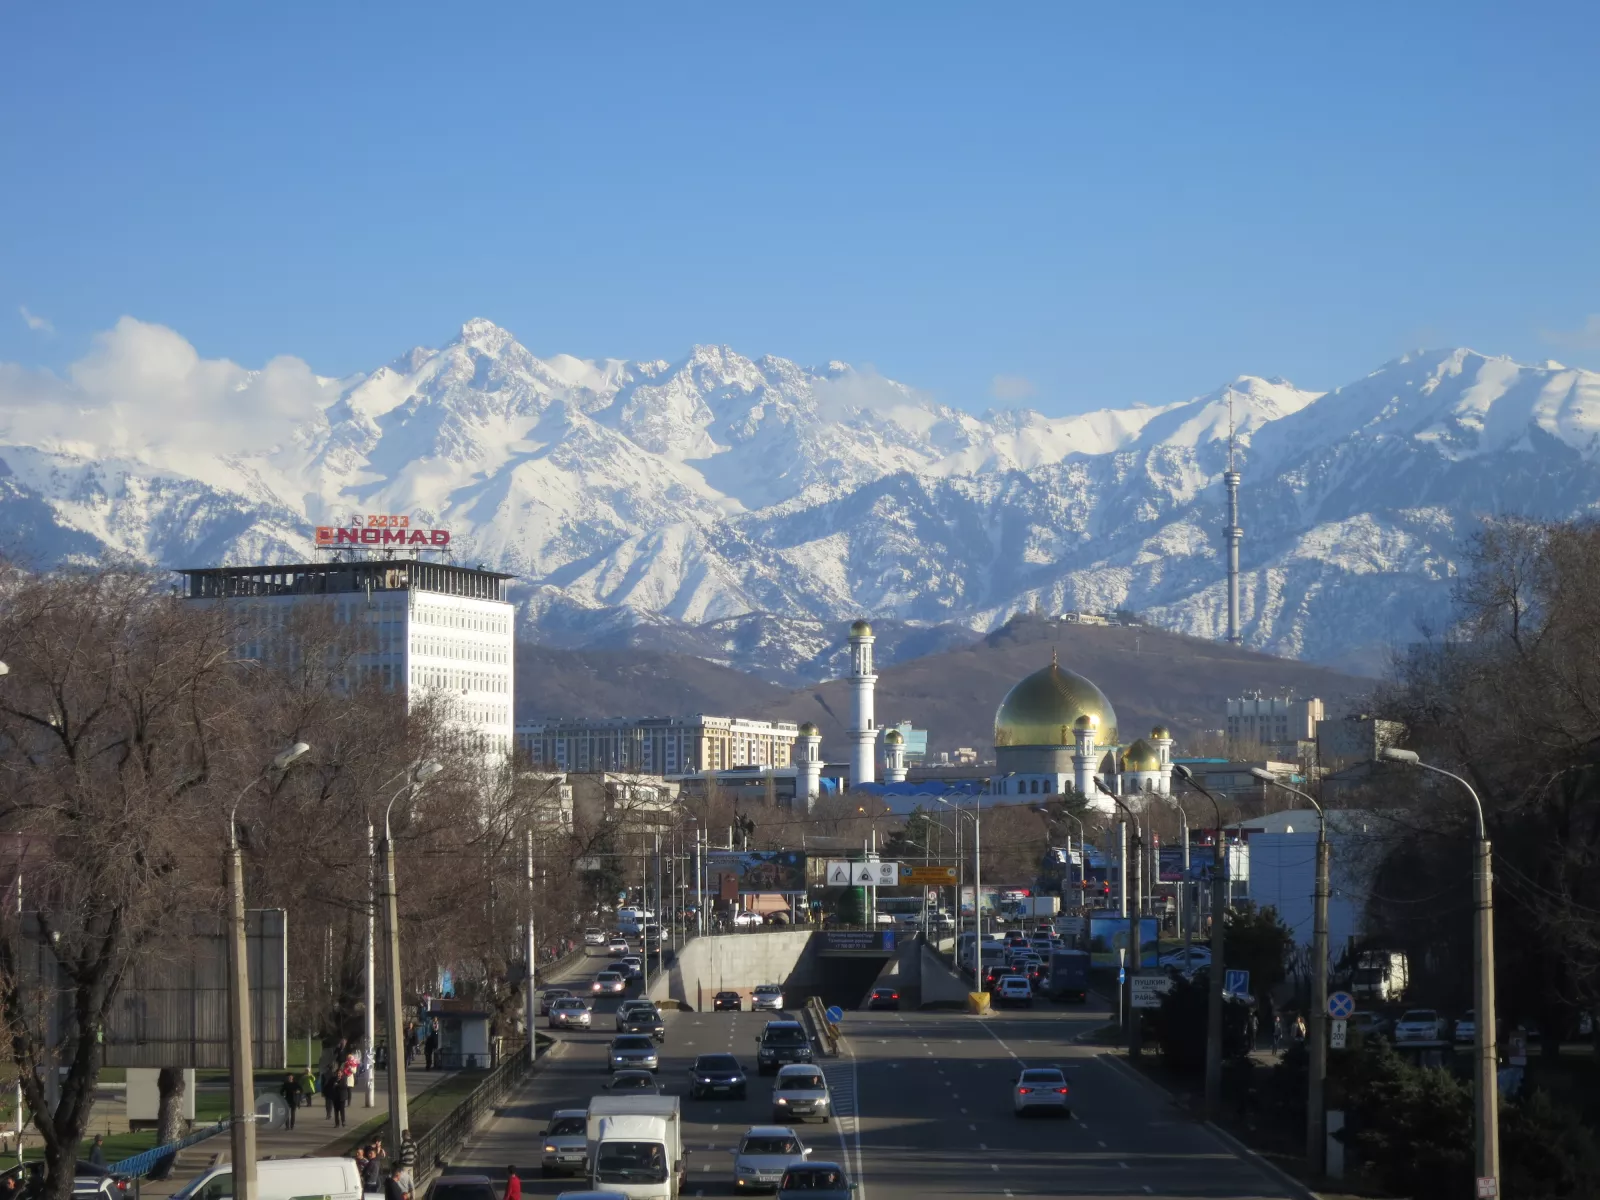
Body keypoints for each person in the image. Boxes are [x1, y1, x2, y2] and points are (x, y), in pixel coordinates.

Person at [397, 1128, 418, 1196]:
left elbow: (402, 1154)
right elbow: (415, 1154)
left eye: (402, 1135)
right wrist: (413, 1161)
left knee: (404, 1182)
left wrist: (400, 1162)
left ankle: (405, 1196)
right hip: (411, 1164)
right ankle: (413, 1195)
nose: (402, 1137)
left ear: (404, 1135)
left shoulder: (404, 1143)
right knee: (411, 1181)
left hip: (404, 1165)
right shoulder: (414, 1142)